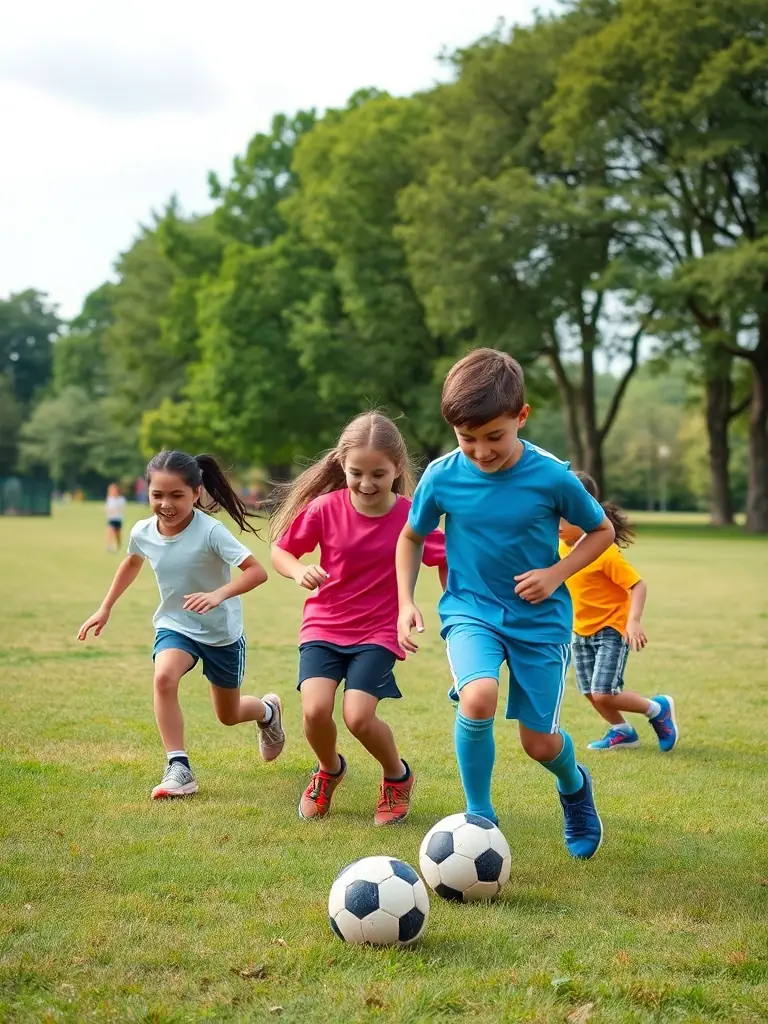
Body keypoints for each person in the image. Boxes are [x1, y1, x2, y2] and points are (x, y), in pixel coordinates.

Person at [397, 348, 615, 860]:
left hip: (540, 622)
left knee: (538, 743)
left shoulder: (553, 476)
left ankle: (574, 788)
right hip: (470, 608)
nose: (480, 451)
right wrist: (406, 601)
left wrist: (556, 573)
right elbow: (411, 537)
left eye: (494, 436)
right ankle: (479, 817)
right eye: (466, 438)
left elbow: (600, 530)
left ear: (521, 417)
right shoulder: (443, 475)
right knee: (477, 699)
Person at [271, 412, 446, 826]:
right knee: (314, 712)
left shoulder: (411, 517)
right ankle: (329, 770)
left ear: (398, 469)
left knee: (358, 716)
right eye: (356, 473)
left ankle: (396, 776)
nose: (366, 484)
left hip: (379, 630)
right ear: (341, 466)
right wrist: (298, 571)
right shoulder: (324, 508)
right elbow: (282, 551)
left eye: (379, 474)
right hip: (324, 624)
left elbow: (449, 555)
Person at [78, 450, 286, 799]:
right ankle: (179, 767)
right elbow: (131, 562)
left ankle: (267, 712)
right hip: (175, 624)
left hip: (220, 632)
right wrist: (105, 607)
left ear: (196, 492)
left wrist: (219, 594)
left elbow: (257, 572)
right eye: (157, 495)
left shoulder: (211, 532)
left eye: (176, 495)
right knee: (163, 676)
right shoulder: (143, 530)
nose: (166, 504)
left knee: (229, 714)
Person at [559, 471, 678, 752]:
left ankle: (657, 709)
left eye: (564, 516)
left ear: (584, 510)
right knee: (589, 692)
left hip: (611, 629)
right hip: (580, 630)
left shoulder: (603, 551)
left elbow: (637, 585)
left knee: (604, 692)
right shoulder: (560, 547)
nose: (558, 524)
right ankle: (623, 731)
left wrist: (633, 621)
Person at [105, 482, 126, 552]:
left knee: (118, 535)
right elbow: (108, 508)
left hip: (118, 519)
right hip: (111, 519)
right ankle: (109, 545)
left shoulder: (121, 499)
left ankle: (119, 546)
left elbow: (119, 509)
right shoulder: (110, 499)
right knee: (110, 531)